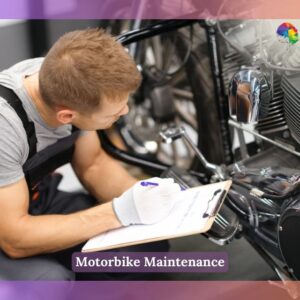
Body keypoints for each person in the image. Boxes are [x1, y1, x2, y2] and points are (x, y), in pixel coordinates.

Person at [0, 28, 181, 280]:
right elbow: (15, 239)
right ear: (66, 116)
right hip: (7, 229)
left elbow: (93, 165)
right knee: (50, 282)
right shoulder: (5, 127)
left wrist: (151, 200)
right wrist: (120, 212)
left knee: (145, 248)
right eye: (114, 113)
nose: (126, 111)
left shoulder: (67, 79)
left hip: (36, 198)